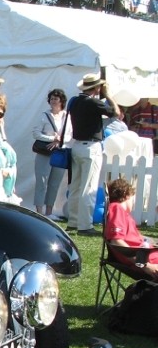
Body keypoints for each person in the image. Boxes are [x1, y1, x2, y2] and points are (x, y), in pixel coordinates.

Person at [66, 72, 115, 235]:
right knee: (89, 187)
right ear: (96, 87)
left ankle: (72, 221)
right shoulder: (94, 102)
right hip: (90, 146)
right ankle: (85, 225)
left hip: (77, 145)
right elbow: (115, 112)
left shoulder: (74, 102)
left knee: (75, 185)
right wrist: (107, 95)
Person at [30, 88, 72, 218]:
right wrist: (51, 139)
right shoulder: (44, 115)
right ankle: (39, 211)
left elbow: (70, 134)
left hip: (59, 152)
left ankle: (49, 211)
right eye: (52, 98)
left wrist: (59, 140)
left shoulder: (67, 117)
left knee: (54, 183)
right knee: (41, 182)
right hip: (45, 152)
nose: (53, 101)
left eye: (56, 98)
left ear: (61, 101)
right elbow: (36, 133)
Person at [104, 178, 158, 274]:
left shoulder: (122, 213)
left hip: (146, 254)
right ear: (127, 195)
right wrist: (144, 265)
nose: (133, 202)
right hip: (145, 259)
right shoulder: (117, 208)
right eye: (134, 197)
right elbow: (116, 242)